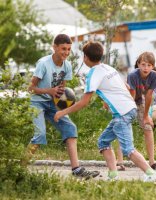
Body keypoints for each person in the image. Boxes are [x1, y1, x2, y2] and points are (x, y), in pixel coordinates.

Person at [54, 41, 156, 182]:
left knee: (128, 149)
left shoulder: (93, 74)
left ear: (85, 57)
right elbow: (124, 85)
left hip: (122, 113)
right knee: (103, 142)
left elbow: (84, 102)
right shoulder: (108, 68)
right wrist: (107, 99)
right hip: (129, 109)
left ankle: (151, 174)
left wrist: (62, 112)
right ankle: (113, 176)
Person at [24, 34, 99, 179]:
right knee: (40, 134)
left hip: (52, 103)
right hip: (37, 102)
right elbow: (30, 88)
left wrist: (62, 105)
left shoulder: (67, 66)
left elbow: (61, 89)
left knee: (71, 128)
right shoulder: (44, 63)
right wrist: (49, 91)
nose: (66, 52)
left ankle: (76, 170)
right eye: (63, 49)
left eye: (69, 49)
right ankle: (20, 167)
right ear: (55, 47)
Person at [127, 52, 156, 170]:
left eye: (149, 65)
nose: (146, 68)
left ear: (153, 66)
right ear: (138, 64)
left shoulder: (154, 76)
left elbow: (149, 96)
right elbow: (131, 96)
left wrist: (146, 116)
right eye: (143, 64)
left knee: (148, 127)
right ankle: (119, 161)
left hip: (143, 102)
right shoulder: (132, 75)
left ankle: (152, 162)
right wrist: (128, 112)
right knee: (123, 125)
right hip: (130, 101)